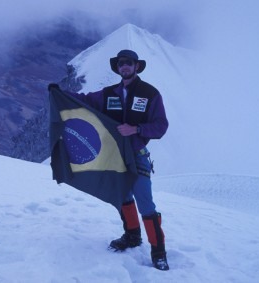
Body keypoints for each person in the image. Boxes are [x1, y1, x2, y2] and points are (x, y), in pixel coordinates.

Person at [48, 50, 170, 271]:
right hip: (114, 156)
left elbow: (161, 126)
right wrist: (59, 93)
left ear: (136, 66)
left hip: (137, 156)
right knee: (122, 196)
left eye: (129, 63)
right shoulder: (109, 93)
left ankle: (158, 252)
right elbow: (83, 101)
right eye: (121, 63)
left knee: (145, 203)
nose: (125, 66)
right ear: (118, 67)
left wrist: (136, 129)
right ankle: (132, 236)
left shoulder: (150, 94)